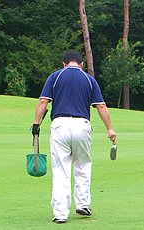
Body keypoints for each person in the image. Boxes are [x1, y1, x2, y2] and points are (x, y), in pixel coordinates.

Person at [32, 51, 116, 224]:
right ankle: (83, 204)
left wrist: (35, 124)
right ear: (82, 64)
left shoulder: (55, 76)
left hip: (60, 125)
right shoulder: (89, 79)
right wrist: (110, 129)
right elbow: (100, 106)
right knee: (83, 165)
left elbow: (43, 102)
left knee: (61, 170)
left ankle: (60, 214)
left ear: (63, 63)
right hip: (82, 126)